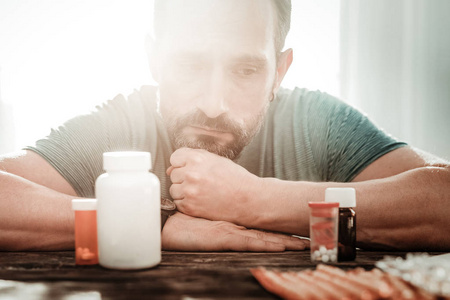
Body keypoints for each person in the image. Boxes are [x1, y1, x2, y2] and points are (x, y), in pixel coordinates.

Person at [0, 0, 449, 252]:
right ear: (155, 61)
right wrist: (148, 225)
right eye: (190, 64)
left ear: (279, 72)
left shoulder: (318, 125)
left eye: (246, 70)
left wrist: (254, 200)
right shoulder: (118, 128)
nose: (213, 106)